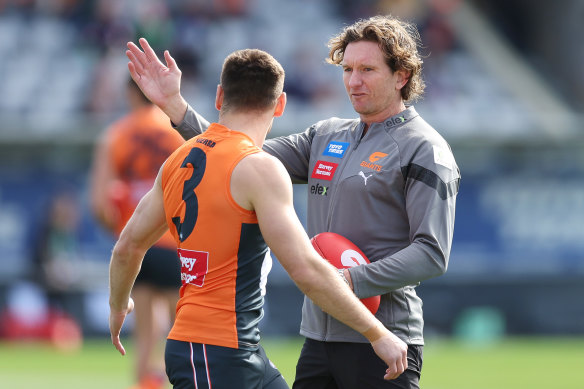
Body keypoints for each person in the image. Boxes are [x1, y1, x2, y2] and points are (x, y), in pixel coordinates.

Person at [126, 14, 460, 389]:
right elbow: (236, 154)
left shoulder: (424, 148)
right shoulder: (326, 135)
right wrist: (177, 109)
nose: (354, 81)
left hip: (384, 337)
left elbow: (431, 253)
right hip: (319, 337)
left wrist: (349, 279)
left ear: (402, 76)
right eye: (348, 69)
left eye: (367, 69)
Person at [90, 79, 185, 389]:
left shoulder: (115, 135)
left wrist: (120, 228)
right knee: (182, 333)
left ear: (130, 93)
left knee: (145, 335)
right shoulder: (178, 134)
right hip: (174, 244)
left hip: (137, 246)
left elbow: (100, 205)